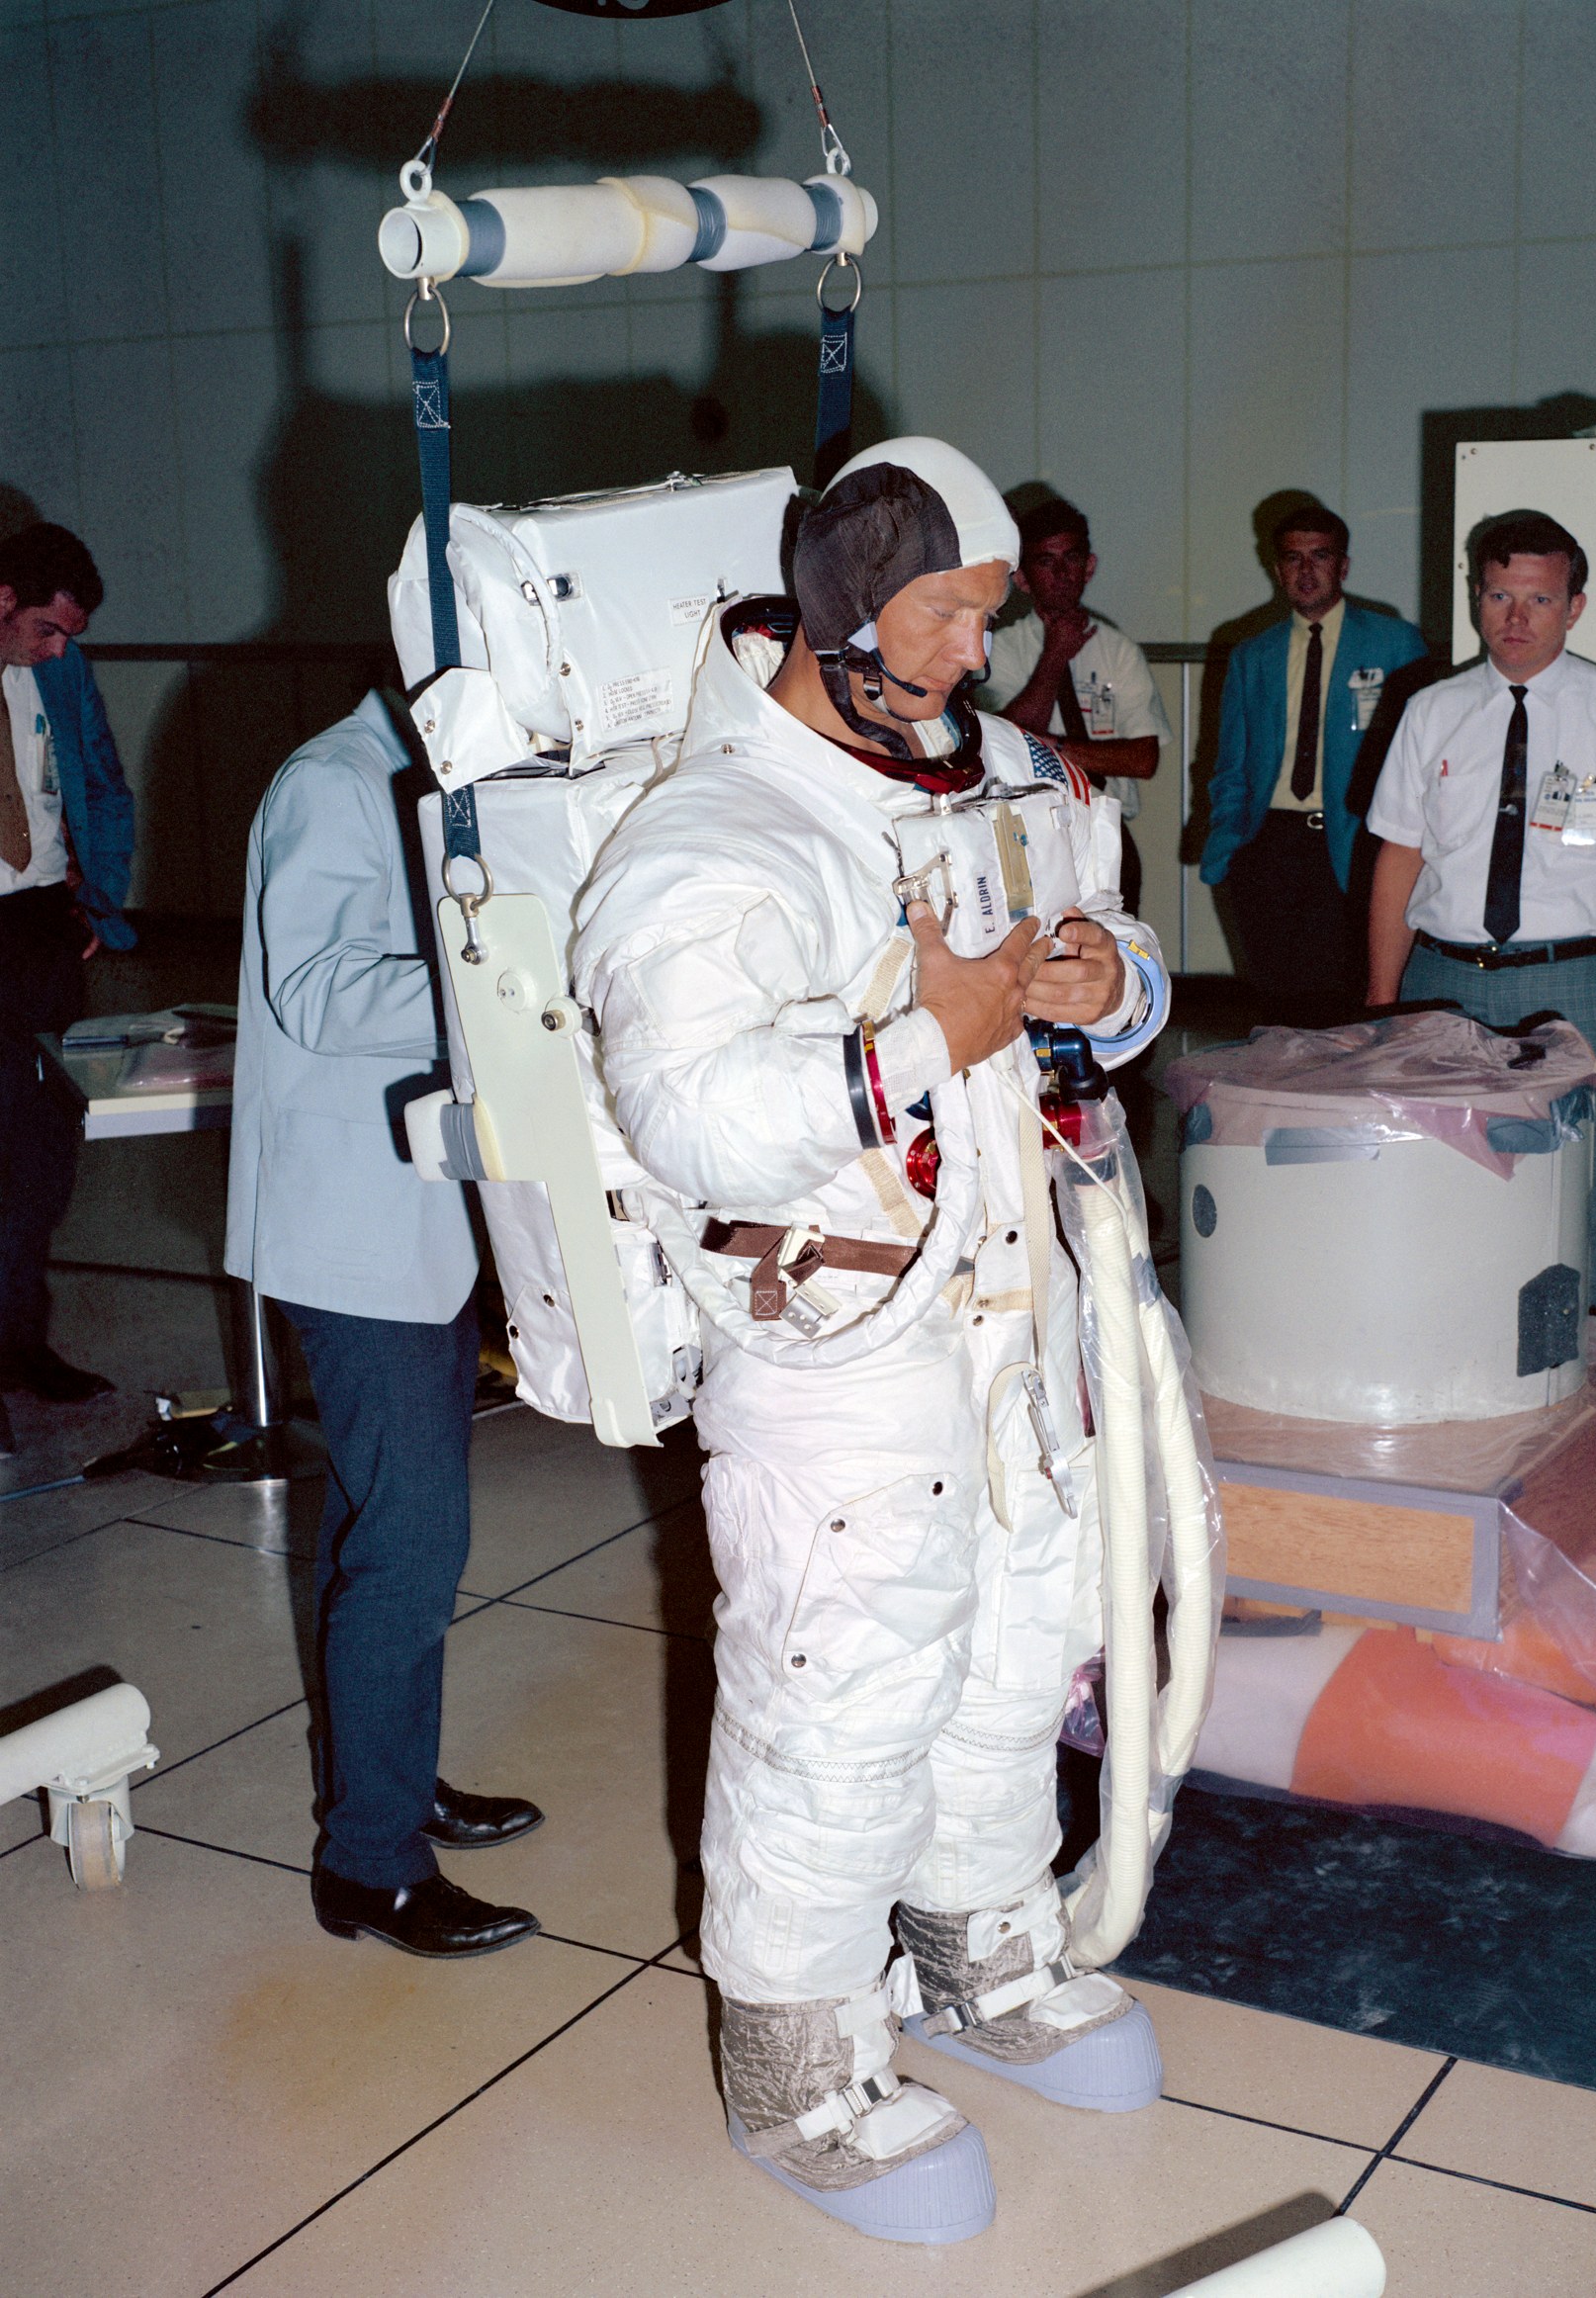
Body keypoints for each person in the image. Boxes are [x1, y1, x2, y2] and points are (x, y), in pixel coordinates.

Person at [575, 439, 1173, 2245]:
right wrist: (929, 1037)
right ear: (841, 612)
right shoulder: (710, 835)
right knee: (842, 1690)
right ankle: (799, 2064)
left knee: (1020, 1642)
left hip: (1015, 1312)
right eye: (947, 617)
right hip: (832, 1336)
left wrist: (1107, 985)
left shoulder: (1008, 779)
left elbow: (1118, 943)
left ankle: (982, 1951)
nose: (980, 654)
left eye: (987, 618)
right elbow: (689, 1114)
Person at [226, 690, 543, 1958]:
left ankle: (388, 1779)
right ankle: (370, 1860)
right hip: (352, 1231)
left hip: (416, 1213)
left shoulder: (433, 776)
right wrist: (505, 978)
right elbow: (317, 991)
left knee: (379, 1526)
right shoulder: (333, 780)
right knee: (412, 1542)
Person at [1366, 509, 1596, 1313]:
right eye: (1499, 596)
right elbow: (1399, 858)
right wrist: (1384, 1002)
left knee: (1592, 1210)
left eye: (1539, 599)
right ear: (1477, 597)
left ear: (1575, 606)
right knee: (1445, 1193)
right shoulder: (1433, 711)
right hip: (1441, 983)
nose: (1517, 618)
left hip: (1573, 987)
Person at [0, 523, 135, 1430]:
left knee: (44, 1155)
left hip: (42, 923)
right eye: (48, 630)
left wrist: (98, 900)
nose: (59, 651)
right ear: (3, 600)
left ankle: (23, 1344)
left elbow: (101, 780)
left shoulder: (58, 672)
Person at [1199, 504, 1428, 1026]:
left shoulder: (1394, 643)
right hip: (1269, 848)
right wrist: (1230, 846)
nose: (1306, 570)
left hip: (1356, 845)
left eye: (1320, 556)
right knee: (1280, 1012)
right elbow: (1230, 765)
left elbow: (1420, 759)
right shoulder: (1252, 654)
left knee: (1352, 1010)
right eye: (1292, 558)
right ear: (1277, 569)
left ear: (1343, 566)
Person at [976, 494, 1172, 913]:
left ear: (1090, 566)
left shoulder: (1117, 649)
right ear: (1022, 578)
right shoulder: (998, 650)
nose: (1062, 574)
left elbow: (1143, 759)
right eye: (1046, 562)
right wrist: (1055, 656)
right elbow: (1005, 745)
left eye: (1072, 559)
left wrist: (1056, 749)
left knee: (1115, 943)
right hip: (1026, 831)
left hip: (1106, 827)